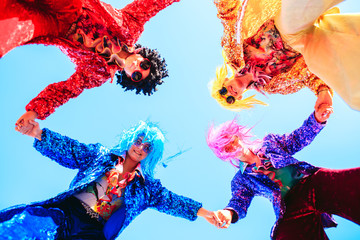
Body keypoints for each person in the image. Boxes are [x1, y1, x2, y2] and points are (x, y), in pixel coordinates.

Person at [0, 121, 216, 239]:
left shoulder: (148, 188)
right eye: (139, 141)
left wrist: (207, 214)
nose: (140, 148)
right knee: (24, 228)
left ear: (152, 153)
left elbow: (173, 201)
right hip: (66, 211)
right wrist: (39, 134)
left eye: (147, 147)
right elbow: (71, 149)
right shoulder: (100, 155)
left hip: (93, 232)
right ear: (131, 140)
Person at [0, 0, 178, 133]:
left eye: (138, 75)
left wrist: (34, 112)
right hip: (72, 7)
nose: (137, 66)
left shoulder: (97, 74)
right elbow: (154, 2)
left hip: (55, 28)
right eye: (144, 64)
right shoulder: (131, 26)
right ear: (143, 55)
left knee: (11, 30)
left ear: (130, 78)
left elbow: (66, 91)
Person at [206, 104, 360, 239]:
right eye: (227, 147)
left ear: (238, 136)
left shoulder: (270, 142)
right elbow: (239, 201)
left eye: (232, 140)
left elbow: (297, 139)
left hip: (310, 182)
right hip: (289, 206)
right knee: (285, 235)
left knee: (353, 184)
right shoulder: (241, 180)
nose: (233, 146)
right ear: (225, 154)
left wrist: (317, 120)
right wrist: (228, 213)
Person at [210, 0, 360, 111]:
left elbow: (229, 17)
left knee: (298, 8)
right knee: (353, 95)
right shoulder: (274, 86)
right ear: (239, 98)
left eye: (223, 91)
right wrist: (323, 92)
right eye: (230, 99)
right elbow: (307, 77)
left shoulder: (233, 53)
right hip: (305, 46)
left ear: (225, 80)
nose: (228, 93)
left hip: (283, 29)